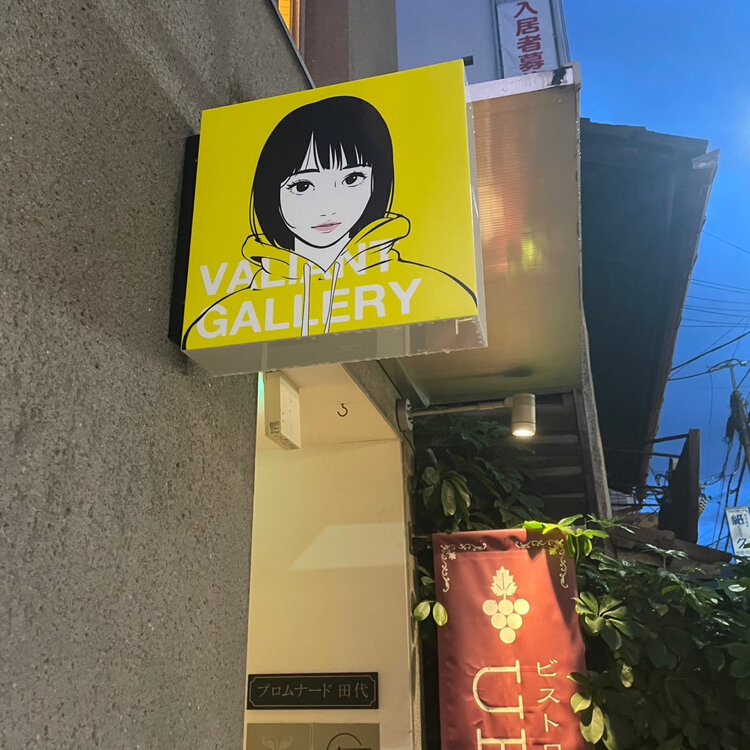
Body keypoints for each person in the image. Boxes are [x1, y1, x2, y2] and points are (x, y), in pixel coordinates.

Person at [182, 95, 476, 348]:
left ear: (377, 182)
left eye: (351, 179)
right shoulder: (220, 319)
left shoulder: (435, 292)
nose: (327, 207)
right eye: (302, 186)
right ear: (271, 192)